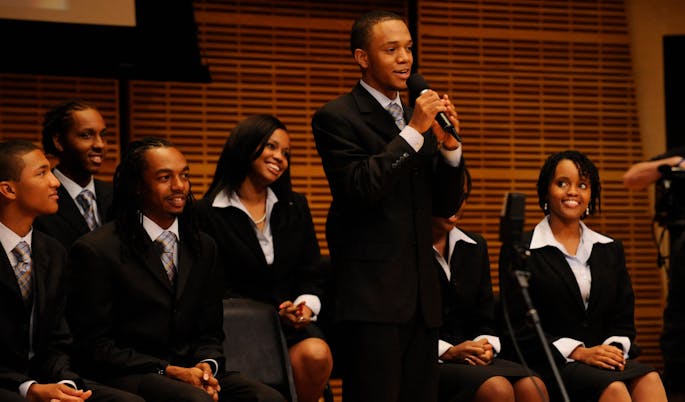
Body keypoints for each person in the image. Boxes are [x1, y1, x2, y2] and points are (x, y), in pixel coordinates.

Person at [311, 10, 465, 402]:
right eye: (391, 49)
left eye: (409, 49)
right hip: (372, 299)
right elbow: (360, 187)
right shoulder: (337, 117)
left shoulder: (420, 116)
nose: (405, 59)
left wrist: (450, 148)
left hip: (421, 298)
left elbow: (443, 206)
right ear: (362, 58)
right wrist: (414, 132)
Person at [65, 137, 285, 402]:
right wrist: (168, 370)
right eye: (164, 177)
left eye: (184, 175)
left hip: (192, 370)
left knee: (267, 398)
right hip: (131, 373)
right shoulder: (97, 250)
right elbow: (94, 346)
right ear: (137, 186)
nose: (179, 186)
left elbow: (210, 332)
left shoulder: (204, 246)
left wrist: (207, 367)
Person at [499, 150, 667, 402]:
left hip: (603, 360)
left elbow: (623, 321)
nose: (573, 192)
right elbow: (516, 329)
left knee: (650, 377)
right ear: (546, 190)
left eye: (583, 185)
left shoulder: (610, 248)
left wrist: (611, 351)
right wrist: (579, 352)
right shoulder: (521, 249)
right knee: (615, 389)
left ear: (591, 194)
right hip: (551, 363)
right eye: (562, 183)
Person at [196, 114, 333, 402]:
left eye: (286, 153)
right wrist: (270, 312)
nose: (280, 158)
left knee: (317, 353)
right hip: (235, 328)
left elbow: (311, 271)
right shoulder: (206, 212)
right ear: (246, 146)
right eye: (271, 147)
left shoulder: (295, 205)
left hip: (289, 324)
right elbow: (209, 284)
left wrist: (303, 306)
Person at [0, 140, 143, 402]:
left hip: (43, 378)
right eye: (42, 173)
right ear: (8, 190)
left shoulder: (52, 251)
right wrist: (28, 388)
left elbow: (58, 340)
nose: (55, 182)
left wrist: (63, 381)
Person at [433, 168, 548, 402]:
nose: (457, 204)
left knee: (533, 386)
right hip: (428, 359)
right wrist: (449, 351)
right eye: (449, 194)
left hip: (472, 357)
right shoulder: (405, 250)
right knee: (497, 389)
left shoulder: (475, 245)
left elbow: (484, 315)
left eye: (463, 196)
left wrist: (484, 345)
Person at [623, 146, 685, 401]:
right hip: (683, 242)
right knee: (679, 319)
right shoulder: (679, 155)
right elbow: (631, 178)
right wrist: (677, 162)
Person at [34, 99, 113, 250]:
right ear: (59, 142)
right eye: (86, 135)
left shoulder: (117, 195)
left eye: (103, 135)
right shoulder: (38, 197)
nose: (100, 144)